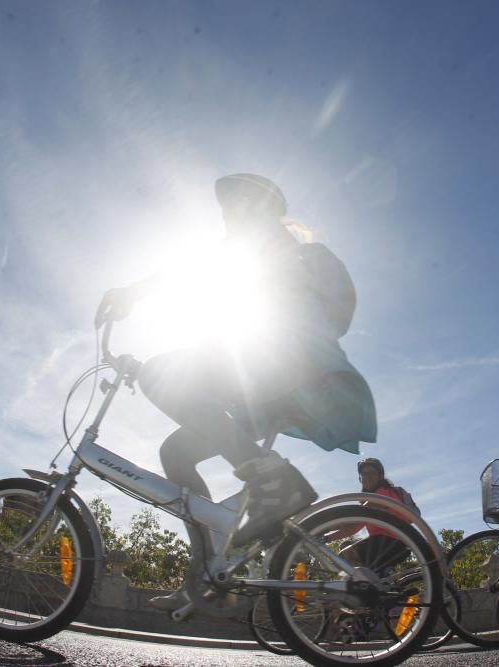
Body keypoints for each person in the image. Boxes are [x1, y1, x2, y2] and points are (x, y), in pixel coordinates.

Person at [94, 174, 377, 610]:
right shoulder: (249, 254)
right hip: (264, 386)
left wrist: (132, 293)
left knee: (162, 373)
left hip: (298, 370)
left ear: (263, 210)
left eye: (236, 208)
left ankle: (272, 479)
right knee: (176, 453)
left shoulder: (295, 253)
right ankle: (206, 568)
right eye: (225, 211)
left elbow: (338, 314)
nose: (229, 219)